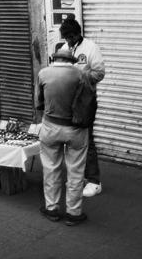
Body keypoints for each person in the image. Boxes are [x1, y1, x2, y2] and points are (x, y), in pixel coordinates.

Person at [36, 47, 90, 226]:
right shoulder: (80, 74)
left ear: (54, 58)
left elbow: (39, 103)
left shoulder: (43, 73)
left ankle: (51, 209)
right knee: (75, 172)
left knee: (51, 169)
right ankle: (73, 213)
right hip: (75, 129)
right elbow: (88, 101)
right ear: (72, 61)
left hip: (51, 127)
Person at [59, 14, 105, 198]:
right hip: (67, 101)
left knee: (88, 140)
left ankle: (94, 181)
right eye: (66, 38)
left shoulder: (91, 47)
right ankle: (78, 178)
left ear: (78, 34)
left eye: (71, 38)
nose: (68, 42)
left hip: (85, 101)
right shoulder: (64, 47)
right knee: (71, 141)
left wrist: (80, 77)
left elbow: (100, 73)